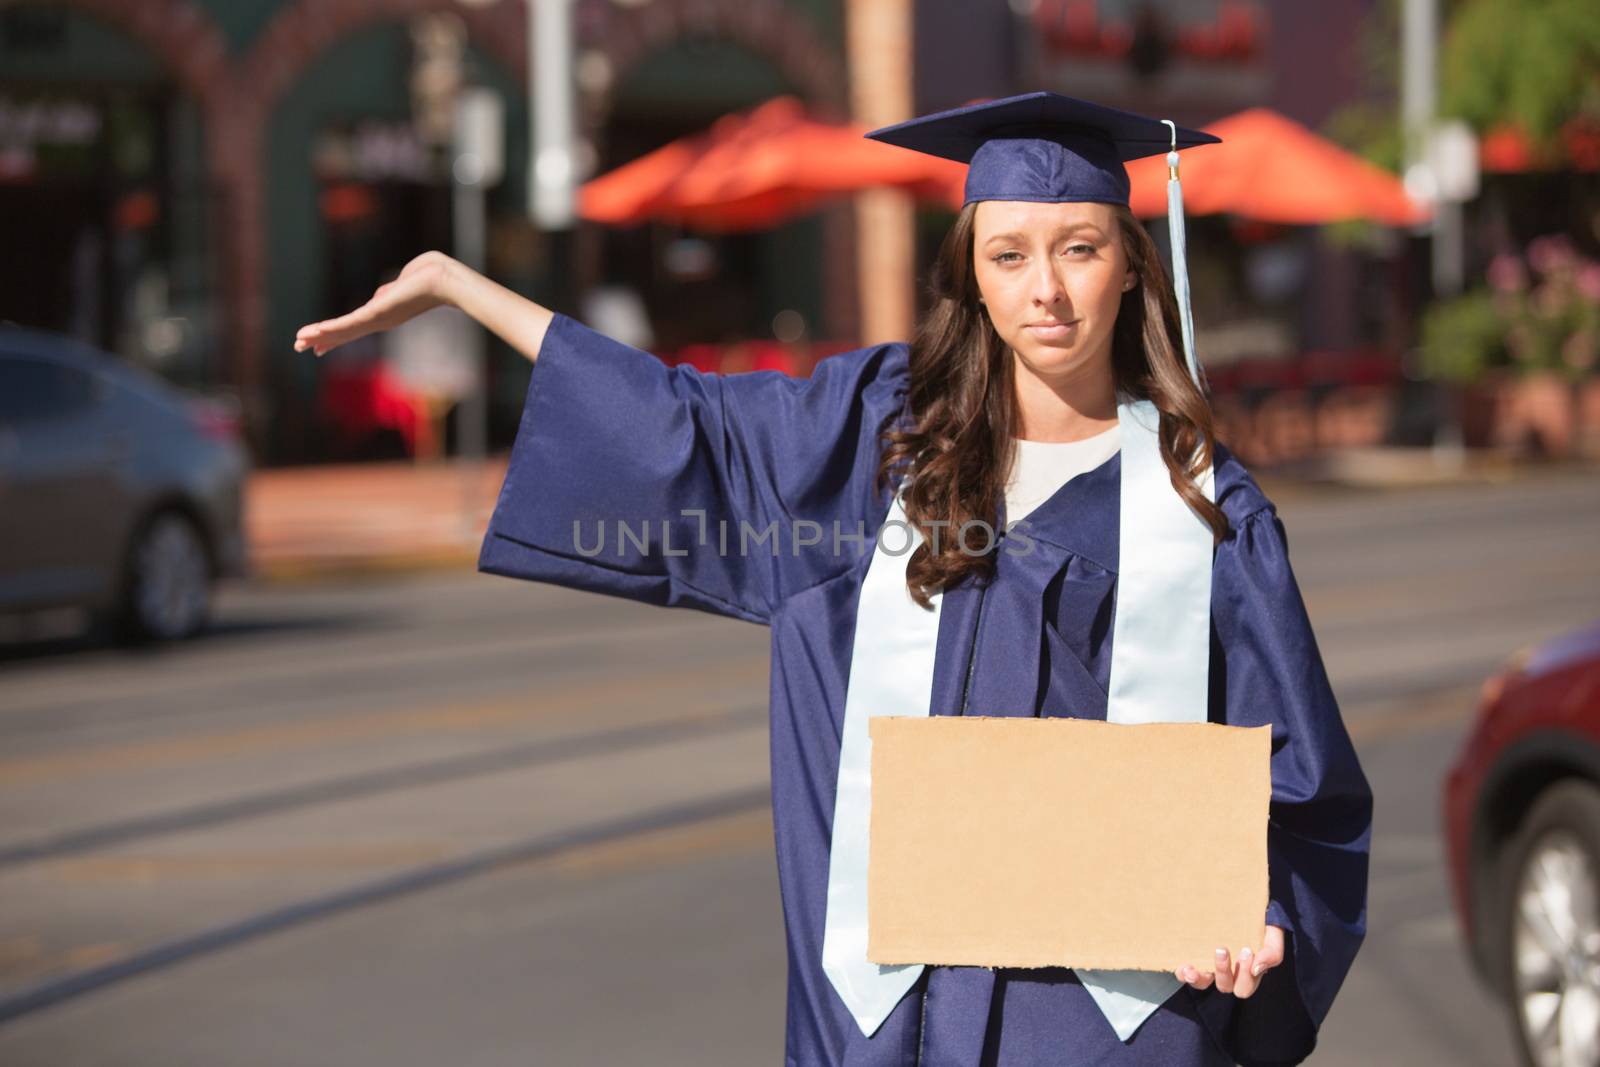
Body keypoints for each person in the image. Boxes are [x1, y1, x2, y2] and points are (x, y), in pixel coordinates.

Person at [295, 91, 1371, 1067]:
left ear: (1131, 262)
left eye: (1079, 247)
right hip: (889, 1019)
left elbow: (1302, 788)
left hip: (1108, 1028)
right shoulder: (877, 445)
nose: (1044, 289)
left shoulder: (1204, 510)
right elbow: (679, 424)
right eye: (1007, 255)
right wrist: (455, 285)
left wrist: (1262, 915)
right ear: (970, 272)